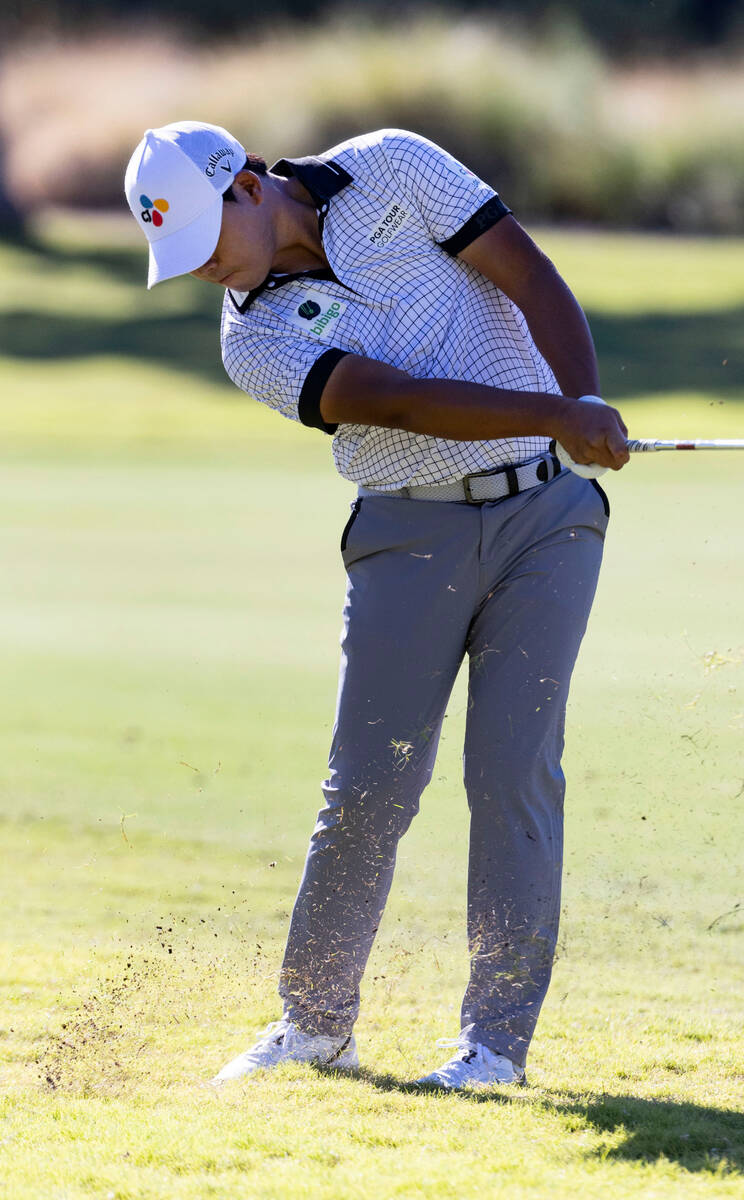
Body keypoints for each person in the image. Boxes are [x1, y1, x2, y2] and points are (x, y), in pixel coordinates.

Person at [124, 120, 629, 1089]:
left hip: (548, 518)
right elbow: (389, 399)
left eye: (205, 245)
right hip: (408, 534)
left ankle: (494, 1045)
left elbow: (527, 276)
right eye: (179, 260)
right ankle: (315, 1025)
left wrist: (584, 402)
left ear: (246, 188)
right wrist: (559, 415)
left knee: (515, 774)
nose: (202, 273)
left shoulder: (392, 166)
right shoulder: (253, 338)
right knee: (368, 788)